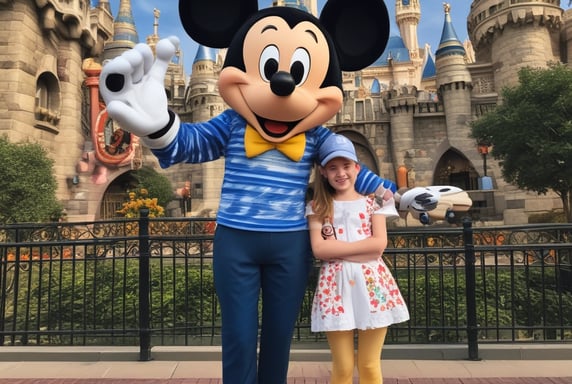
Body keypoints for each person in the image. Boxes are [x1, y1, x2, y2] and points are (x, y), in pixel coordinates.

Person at [306, 134, 410, 384]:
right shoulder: (318, 207)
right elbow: (319, 250)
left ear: (357, 168)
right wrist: (360, 249)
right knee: (342, 366)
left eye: (345, 166)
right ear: (323, 172)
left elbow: (378, 247)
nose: (340, 173)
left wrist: (338, 249)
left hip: (372, 288)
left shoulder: (375, 204)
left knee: (369, 365)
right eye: (333, 168)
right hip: (335, 290)